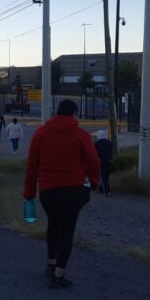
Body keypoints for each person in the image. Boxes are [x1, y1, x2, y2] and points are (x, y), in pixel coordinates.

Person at [23, 99, 101, 289]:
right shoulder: (80, 134)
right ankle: (59, 274)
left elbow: (32, 165)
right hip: (73, 191)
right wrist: (94, 182)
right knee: (67, 230)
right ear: (74, 113)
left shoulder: (41, 132)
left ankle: (51, 262)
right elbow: (93, 160)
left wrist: (29, 192)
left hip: (48, 191)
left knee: (54, 225)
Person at [94, 130, 113, 197]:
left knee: (103, 177)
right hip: (110, 162)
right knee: (106, 177)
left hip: (101, 162)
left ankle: (106, 192)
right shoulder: (109, 143)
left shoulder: (96, 143)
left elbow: (94, 154)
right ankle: (102, 188)